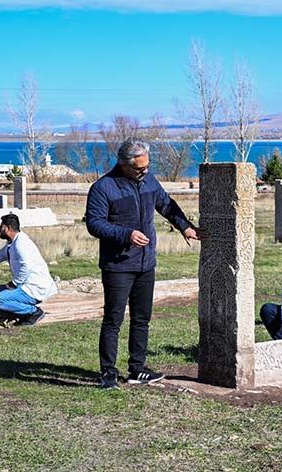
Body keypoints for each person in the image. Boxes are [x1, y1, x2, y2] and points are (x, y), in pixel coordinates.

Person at [85, 138, 202, 390]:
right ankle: (108, 372)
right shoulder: (103, 188)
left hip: (146, 263)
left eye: (147, 166)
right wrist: (126, 234)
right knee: (113, 320)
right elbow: (94, 223)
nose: (145, 171)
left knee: (141, 319)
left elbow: (166, 204)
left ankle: (137, 369)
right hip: (118, 265)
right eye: (140, 168)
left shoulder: (149, 180)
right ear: (124, 165)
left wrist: (185, 226)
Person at [0, 214, 57, 326]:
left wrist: (14, 283)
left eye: (1, 226)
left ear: (8, 228)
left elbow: (26, 268)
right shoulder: (12, 243)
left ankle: (33, 312)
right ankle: (22, 313)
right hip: (25, 285)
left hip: (34, 287)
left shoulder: (21, 244)